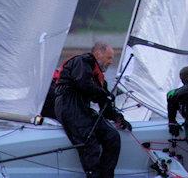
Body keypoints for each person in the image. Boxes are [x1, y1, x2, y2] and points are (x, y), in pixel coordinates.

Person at [54, 42, 132, 178]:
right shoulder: (81, 61)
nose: (111, 62)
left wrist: (118, 117)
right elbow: (83, 83)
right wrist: (104, 94)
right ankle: (93, 175)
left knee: (112, 137)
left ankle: (106, 175)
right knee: (90, 143)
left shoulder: (99, 78)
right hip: (68, 105)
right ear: (98, 54)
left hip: (83, 109)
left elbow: (105, 105)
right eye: (109, 58)